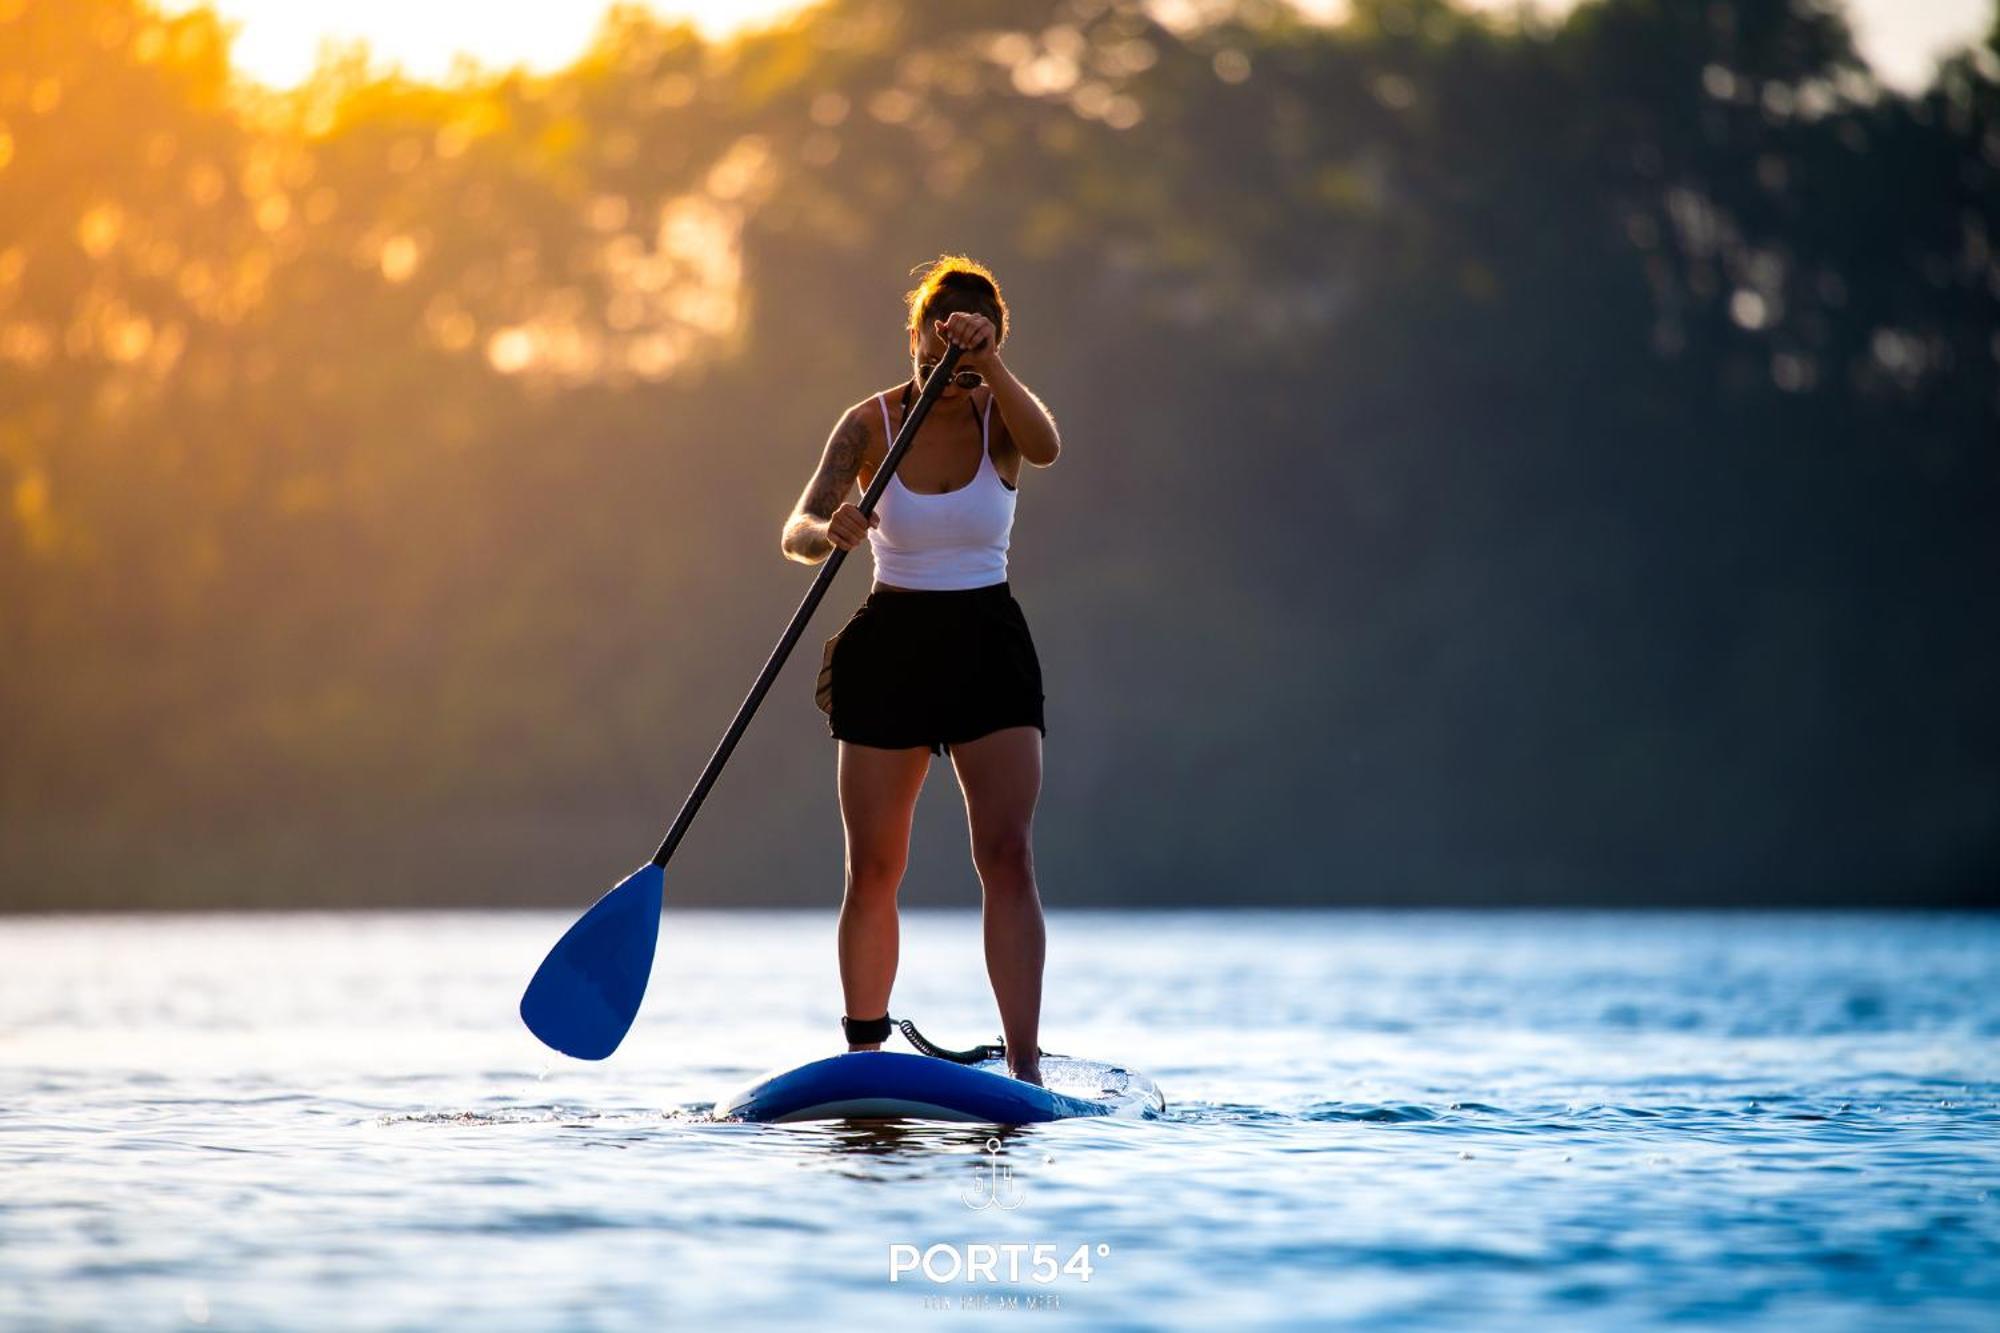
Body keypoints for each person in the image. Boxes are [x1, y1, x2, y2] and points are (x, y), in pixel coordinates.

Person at [779, 256, 1063, 1085]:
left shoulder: (999, 415)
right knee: (873, 865)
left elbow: (1047, 448)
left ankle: (1024, 1065)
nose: (944, 374)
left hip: (987, 641)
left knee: (1006, 853)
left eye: (964, 358)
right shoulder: (868, 424)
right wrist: (828, 527)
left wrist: (992, 365)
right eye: (933, 353)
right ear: (913, 339)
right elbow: (796, 527)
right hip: (890, 642)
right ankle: (864, 1054)